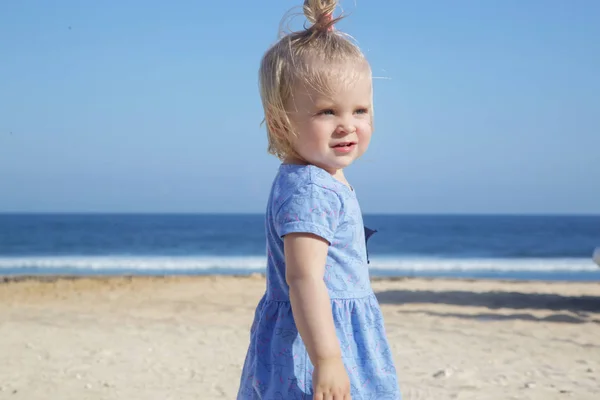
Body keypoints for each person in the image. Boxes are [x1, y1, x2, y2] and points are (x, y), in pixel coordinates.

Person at [237, 0, 401, 398]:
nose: (348, 124)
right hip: (317, 336)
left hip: (320, 328)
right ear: (281, 122)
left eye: (360, 110)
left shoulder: (316, 179)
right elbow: (304, 277)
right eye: (327, 111)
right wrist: (327, 359)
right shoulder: (312, 190)